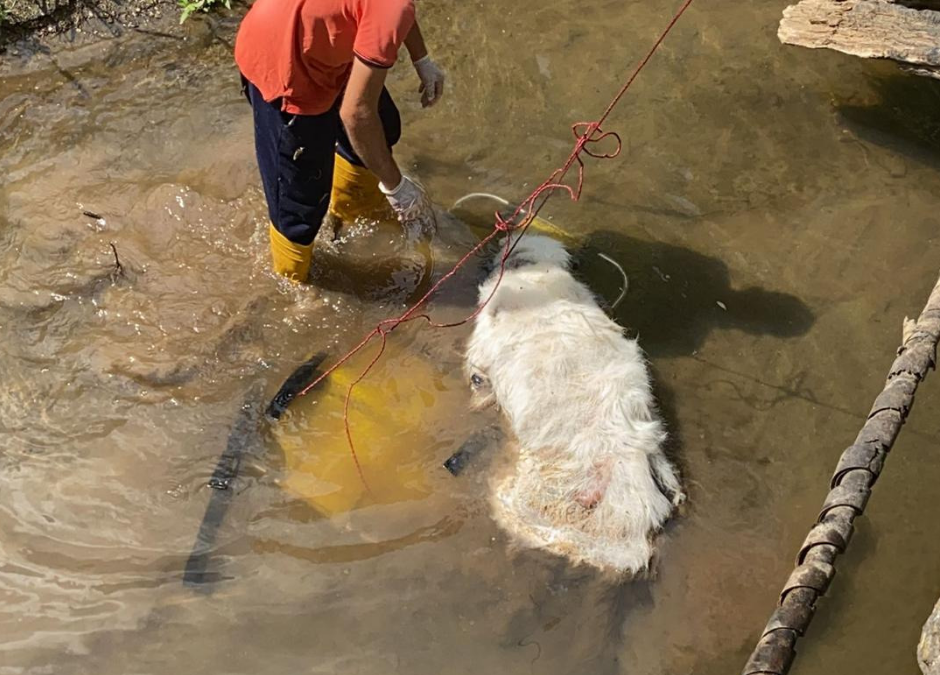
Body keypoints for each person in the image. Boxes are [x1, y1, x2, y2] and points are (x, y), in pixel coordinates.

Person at [234, 0, 446, 282]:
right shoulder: (390, 8)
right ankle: (292, 281)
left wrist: (422, 59)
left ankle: (353, 205)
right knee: (300, 206)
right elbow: (356, 114)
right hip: (281, 63)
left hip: (314, 35)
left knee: (383, 127)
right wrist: (397, 187)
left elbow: (398, 10)